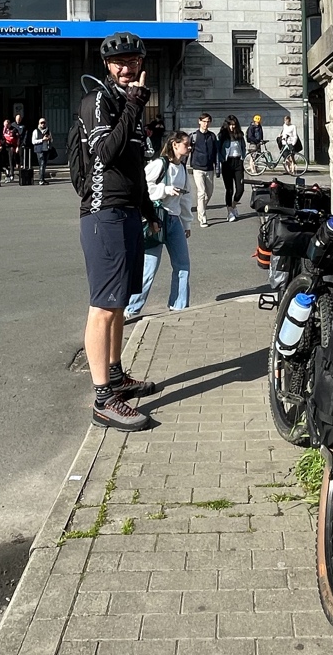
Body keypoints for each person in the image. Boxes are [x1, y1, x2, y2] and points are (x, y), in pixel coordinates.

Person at [78, 31, 159, 432]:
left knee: (121, 302)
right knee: (104, 304)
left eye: (132, 61)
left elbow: (135, 169)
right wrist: (133, 107)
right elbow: (105, 155)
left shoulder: (130, 104)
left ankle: (115, 374)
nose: (127, 68)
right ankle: (102, 399)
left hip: (128, 211)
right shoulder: (98, 101)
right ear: (107, 66)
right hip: (102, 212)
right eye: (118, 62)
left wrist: (150, 211)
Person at [127, 131, 193, 316]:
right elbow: (143, 185)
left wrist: (187, 223)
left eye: (189, 145)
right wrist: (165, 189)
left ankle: (178, 306)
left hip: (174, 221)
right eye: (186, 144)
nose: (189, 148)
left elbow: (186, 199)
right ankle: (130, 308)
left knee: (183, 265)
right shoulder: (159, 164)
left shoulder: (182, 169)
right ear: (175, 145)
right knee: (149, 268)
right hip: (156, 219)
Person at [187, 113, 221, 227]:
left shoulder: (212, 136)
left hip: (209, 168)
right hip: (198, 168)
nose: (206, 124)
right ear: (199, 122)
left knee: (209, 193)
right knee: (201, 192)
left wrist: (217, 168)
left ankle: (200, 207)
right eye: (204, 121)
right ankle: (203, 217)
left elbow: (216, 153)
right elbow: (187, 151)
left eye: (208, 122)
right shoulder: (193, 136)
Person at [218, 114, 246, 220]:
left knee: (240, 189)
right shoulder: (222, 135)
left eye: (234, 125)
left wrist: (243, 157)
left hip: (238, 162)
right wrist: (222, 160)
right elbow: (218, 150)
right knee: (229, 189)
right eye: (230, 125)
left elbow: (243, 147)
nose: (232, 127)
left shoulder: (239, 135)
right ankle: (229, 211)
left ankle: (233, 206)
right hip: (227, 162)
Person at [31, 117, 54, 185]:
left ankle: (43, 179)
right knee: (42, 164)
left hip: (47, 149)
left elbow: (52, 140)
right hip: (39, 150)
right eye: (41, 123)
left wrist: (49, 139)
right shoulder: (36, 131)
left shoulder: (48, 131)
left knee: (44, 165)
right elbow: (33, 141)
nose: (43, 124)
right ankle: (41, 180)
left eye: (44, 122)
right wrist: (42, 140)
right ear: (39, 124)